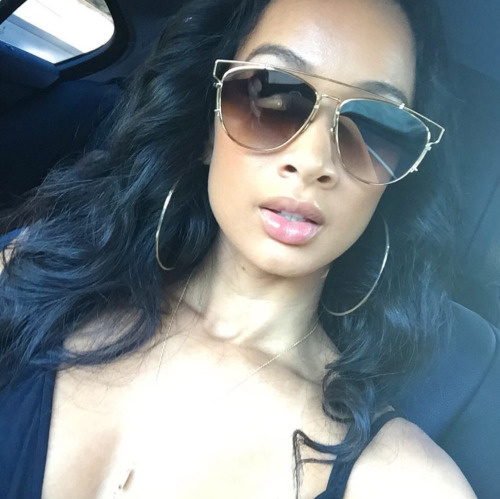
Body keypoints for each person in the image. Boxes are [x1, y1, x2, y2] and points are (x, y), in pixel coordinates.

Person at [0, 0, 477, 497]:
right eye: (271, 96)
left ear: (395, 181)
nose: (313, 160)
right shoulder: (31, 272)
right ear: (207, 128)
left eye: (375, 125)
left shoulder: (404, 480)